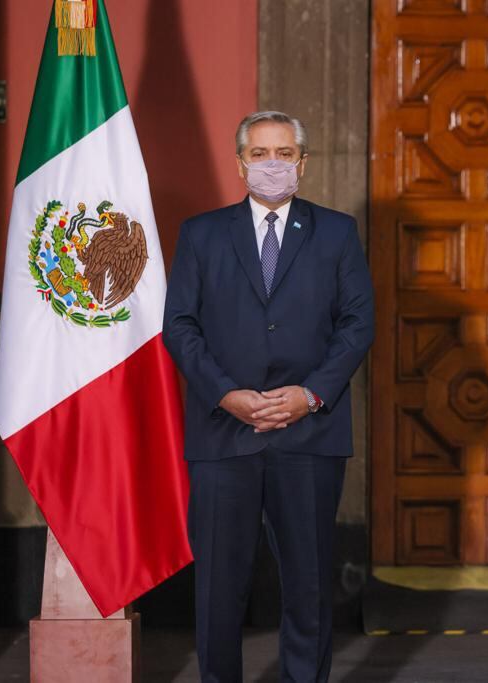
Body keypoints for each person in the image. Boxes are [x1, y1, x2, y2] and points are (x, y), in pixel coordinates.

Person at [163, 110, 374, 682]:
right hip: (223, 433)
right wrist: (225, 393)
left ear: (302, 164)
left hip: (309, 434)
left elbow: (357, 324)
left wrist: (312, 394)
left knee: (307, 586)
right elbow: (179, 326)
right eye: (260, 154)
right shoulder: (202, 234)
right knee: (217, 591)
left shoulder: (335, 233)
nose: (272, 164)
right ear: (240, 164)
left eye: (284, 153)